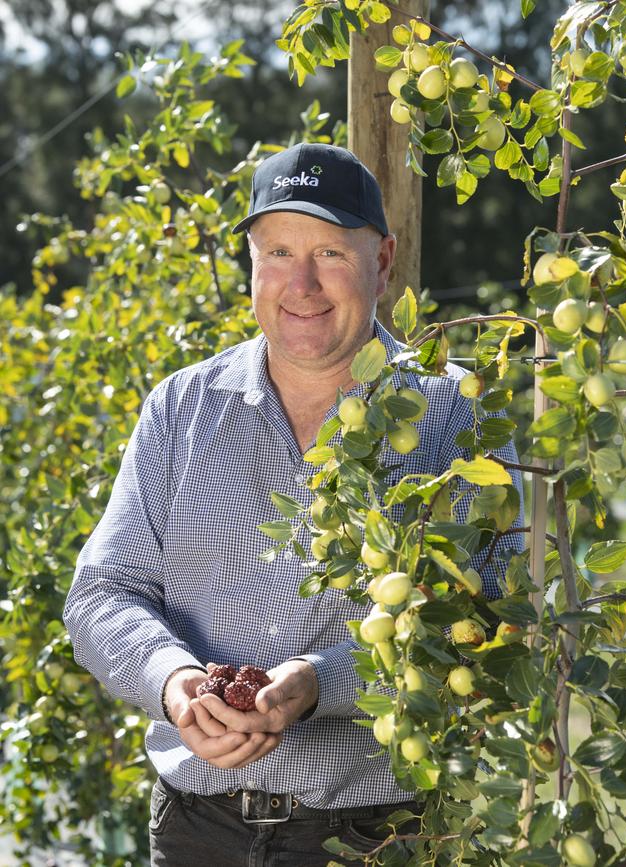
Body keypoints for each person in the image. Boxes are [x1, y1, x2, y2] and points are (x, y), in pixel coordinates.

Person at [64, 143, 522, 866]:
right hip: (193, 829)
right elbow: (100, 593)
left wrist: (320, 682)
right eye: (278, 250)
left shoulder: (450, 416)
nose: (301, 282)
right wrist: (176, 683)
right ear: (252, 261)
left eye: (332, 253)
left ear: (385, 259)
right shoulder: (181, 409)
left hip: (375, 834)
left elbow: (482, 614)